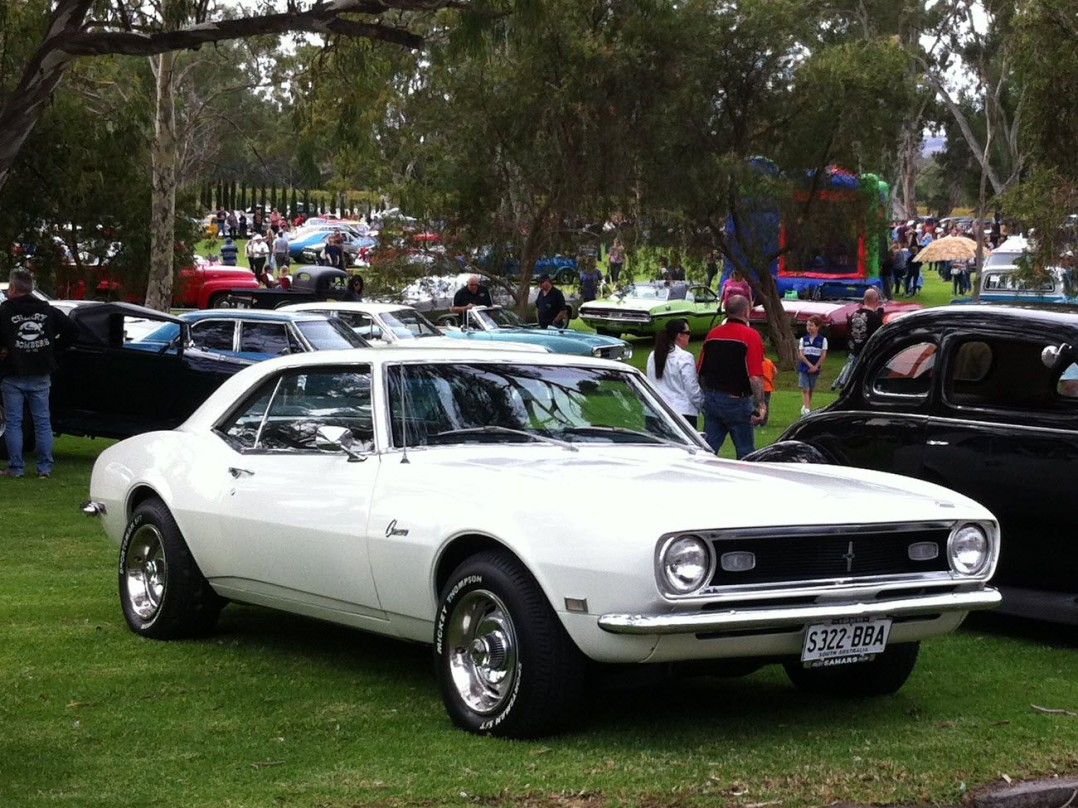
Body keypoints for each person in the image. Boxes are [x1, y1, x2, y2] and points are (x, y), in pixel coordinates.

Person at [0, 268, 79, 478]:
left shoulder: (5, 311)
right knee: (43, 421)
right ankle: (45, 468)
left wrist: (6, 349)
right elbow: (73, 330)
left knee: (14, 422)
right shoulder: (46, 310)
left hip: (13, 373)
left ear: (14, 288)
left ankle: (16, 467)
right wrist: (53, 348)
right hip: (41, 372)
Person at [696, 294, 766, 458]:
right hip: (736, 400)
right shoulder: (751, 336)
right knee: (746, 451)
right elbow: (755, 376)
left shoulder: (713, 334)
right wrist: (761, 405)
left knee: (708, 449)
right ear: (746, 312)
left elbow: (701, 371)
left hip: (712, 397)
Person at [645, 318, 702, 427]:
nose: (689, 336)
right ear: (679, 335)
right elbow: (692, 389)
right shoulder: (685, 357)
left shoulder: (653, 355)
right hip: (681, 412)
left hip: (654, 410)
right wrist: (701, 404)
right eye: (688, 333)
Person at [833, 287, 883, 390]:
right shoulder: (874, 317)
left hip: (854, 349)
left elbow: (848, 331)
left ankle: (842, 383)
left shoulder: (854, 315)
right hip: (867, 353)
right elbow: (879, 335)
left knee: (850, 371)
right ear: (876, 300)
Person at [797, 315, 828, 416]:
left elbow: (823, 355)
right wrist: (809, 365)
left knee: (811, 388)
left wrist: (816, 366)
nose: (809, 327)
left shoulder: (823, 340)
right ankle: (807, 410)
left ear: (817, 327)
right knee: (805, 388)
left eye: (811, 325)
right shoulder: (803, 339)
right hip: (804, 367)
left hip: (815, 368)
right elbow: (801, 354)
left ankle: (806, 405)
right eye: (808, 325)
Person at [757, 355, 777, 427]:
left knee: (755, 404)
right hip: (767, 387)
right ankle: (764, 422)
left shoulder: (756, 362)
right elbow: (775, 371)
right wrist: (771, 379)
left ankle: (756, 420)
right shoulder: (769, 362)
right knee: (765, 404)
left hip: (757, 387)